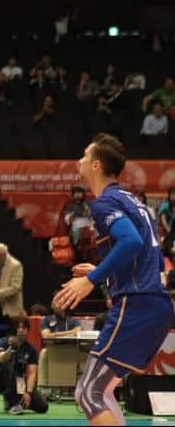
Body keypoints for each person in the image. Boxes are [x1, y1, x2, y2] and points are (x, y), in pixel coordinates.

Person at [54, 133, 174, 426]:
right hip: (155, 303)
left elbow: (131, 242)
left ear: (97, 165)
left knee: (89, 392)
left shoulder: (104, 203)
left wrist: (92, 279)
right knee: (101, 391)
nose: (78, 161)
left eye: (84, 155)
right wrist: (103, 270)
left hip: (137, 304)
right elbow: (147, 254)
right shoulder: (130, 200)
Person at [0, 316, 49, 415]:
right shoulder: (2, 342)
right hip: (1, 379)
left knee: (42, 406)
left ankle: (18, 402)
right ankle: (11, 401)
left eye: (24, 328)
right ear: (14, 329)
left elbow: (32, 373)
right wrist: (11, 348)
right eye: (18, 327)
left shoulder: (30, 349)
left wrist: (29, 393)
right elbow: (2, 359)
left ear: (27, 330)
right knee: (10, 367)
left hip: (20, 381)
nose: (21, 330)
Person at [38, 301, 82, 399]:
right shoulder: (46, 320)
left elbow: (78, 332)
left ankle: (80, 389)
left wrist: (55, 334)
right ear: (52, 306)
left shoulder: (73, 320)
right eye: (56, 302)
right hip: (53, 348)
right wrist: (69, 333)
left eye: (62, 301)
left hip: (72, 349)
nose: (60, 304)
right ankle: (44, 389)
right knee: (44, 353)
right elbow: (45, 335)